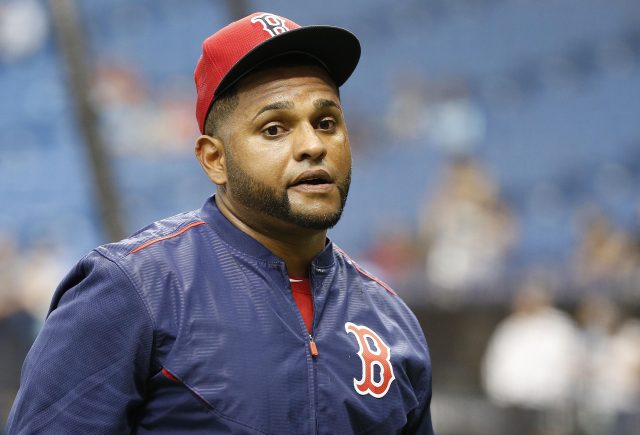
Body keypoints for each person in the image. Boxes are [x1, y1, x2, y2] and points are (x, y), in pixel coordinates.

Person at [7, 12, 434, 434]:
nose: (312, 146)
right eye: (273, 129)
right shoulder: (132, 289)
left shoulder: (391, 320)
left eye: (326, 123)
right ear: (215, 159)